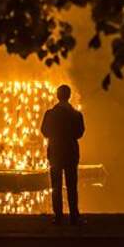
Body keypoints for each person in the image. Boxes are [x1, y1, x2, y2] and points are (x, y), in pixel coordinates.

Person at [41, 85, 85, 225]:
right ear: (69, 96)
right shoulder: (76, 114)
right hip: (71, 152)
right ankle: (74, 215)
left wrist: (55, 136)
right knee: (72, 186)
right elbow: (79, 133)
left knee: (56, 186)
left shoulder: (50, 114)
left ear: (57, 96)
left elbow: (44, 131)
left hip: (55, 152)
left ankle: (58, 216)